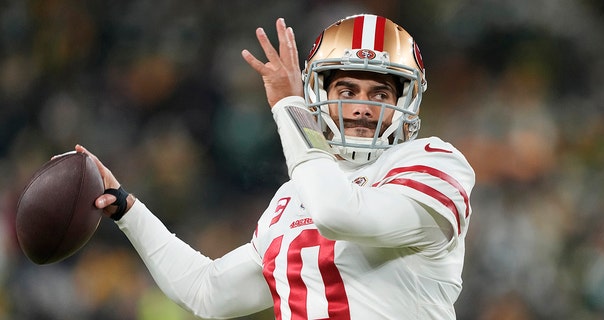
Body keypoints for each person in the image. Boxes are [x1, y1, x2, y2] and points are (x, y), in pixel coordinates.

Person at [77, 14, 475, 319]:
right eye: (347, 90)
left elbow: (337, 213)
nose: (360, 108)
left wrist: (289, 107)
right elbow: (207, 291)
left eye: (380, 93)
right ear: (320, 94)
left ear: (406, 103)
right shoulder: (293, 195)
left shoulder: (432, 162)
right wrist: (127, 208)